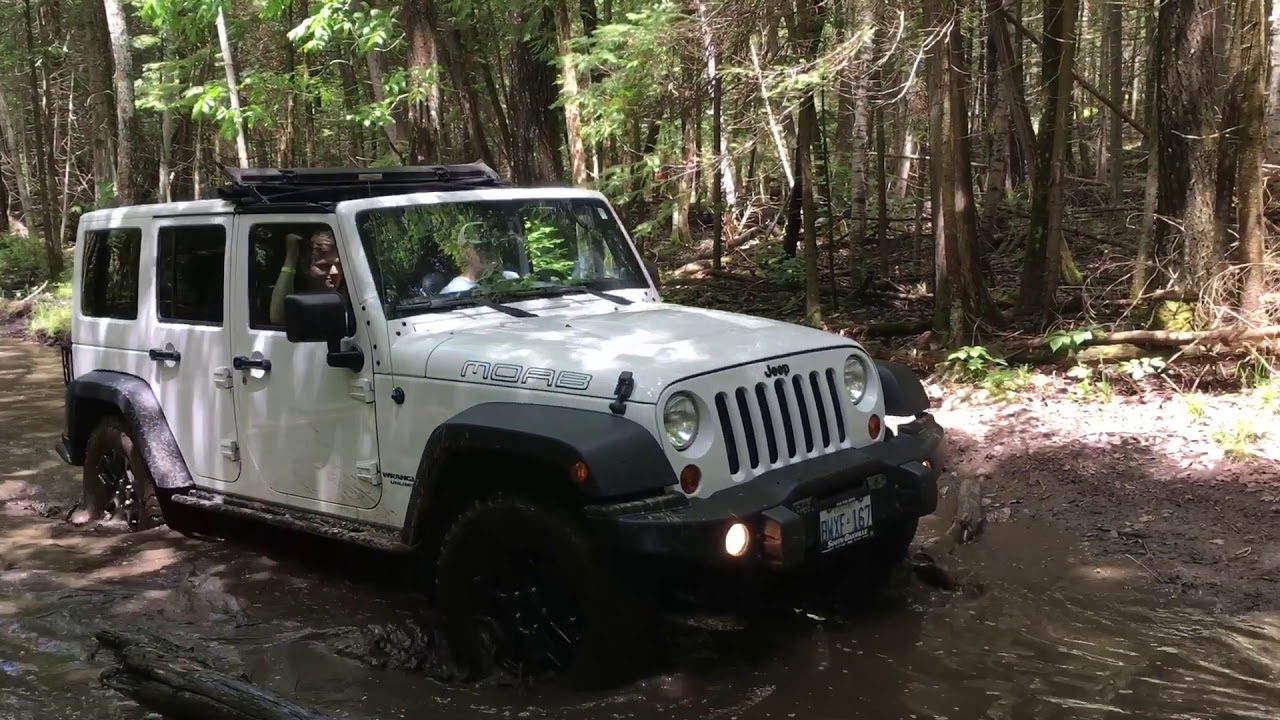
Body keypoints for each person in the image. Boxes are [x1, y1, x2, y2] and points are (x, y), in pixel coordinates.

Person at [269, 228, 346, 325]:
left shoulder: (352, 299)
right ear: (305, 267)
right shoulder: (299, 299)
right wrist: (291, 258)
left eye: (338, 265)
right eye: (324, 266)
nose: (335, 272)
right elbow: (278, 318)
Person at [439, 221, 518, 295]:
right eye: (483, 248)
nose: (492, 252)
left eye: (495, 246)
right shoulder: (452, 291)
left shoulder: (511, 279)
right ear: (466, 252)